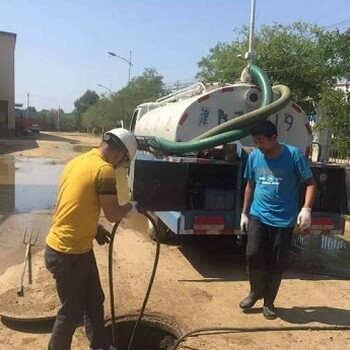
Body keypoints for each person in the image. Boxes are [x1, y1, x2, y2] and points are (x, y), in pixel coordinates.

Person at [45, 128, 138, 350]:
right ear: (122, 154)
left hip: (77, 250)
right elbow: (114, 214)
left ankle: (101, 346)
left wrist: (94, 228)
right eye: (125, 161)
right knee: (71, 312)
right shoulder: (104, 169)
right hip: (68, 253)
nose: (122, 166)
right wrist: (129, 207)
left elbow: (72, 204)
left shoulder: (78, 162)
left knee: (95, 299)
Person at [239, 120, 316, 320]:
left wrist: (306, 209)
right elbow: (250, 184)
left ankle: (269, 302)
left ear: (274, 138)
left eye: (261, 141)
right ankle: (255, 291)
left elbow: (310, 183)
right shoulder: (255, 156)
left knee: (277, 261)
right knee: (252, 254)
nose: (258, 145)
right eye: (256, 141)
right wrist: (244, 213)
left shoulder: (293, 155)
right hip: (258, 215)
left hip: (284, 220)